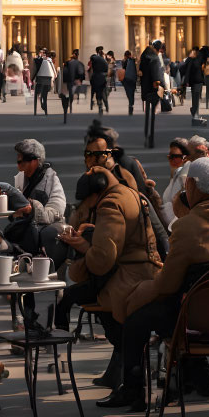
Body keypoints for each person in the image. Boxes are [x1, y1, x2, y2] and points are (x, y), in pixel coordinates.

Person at [99, 157, 209, 417]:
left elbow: (166, 286)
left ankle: (133, 389)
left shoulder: (188, 228)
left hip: (204, 324)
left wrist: (137, 293)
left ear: (191, 185)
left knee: (139, 318)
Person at [57, 162, 162, 390]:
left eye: (86, 199)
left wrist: (84, 246)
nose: (85, 204)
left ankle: (129, 385)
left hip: (129, 278)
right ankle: (122, 377)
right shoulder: (129, 193)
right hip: (146, 272)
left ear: (95, 194)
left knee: (90, 300)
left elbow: (103, 258)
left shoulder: (110, 204)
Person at [1, 138, 66, 256]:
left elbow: (55, 213)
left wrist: (32, 209)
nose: (18, 167)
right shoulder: (23, 179)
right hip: (26, 233)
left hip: (44, 237)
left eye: (21, 162)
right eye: (17, 162)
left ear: (35, 161)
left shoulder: (51, 181)